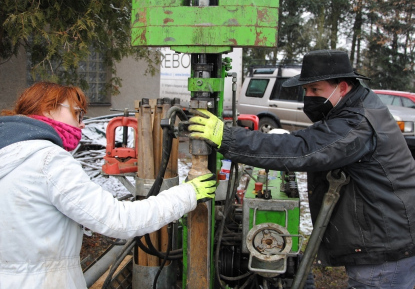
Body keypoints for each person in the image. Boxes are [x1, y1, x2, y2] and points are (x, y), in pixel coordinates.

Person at [189, 49, 415, 289]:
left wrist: (228, 137)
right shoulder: (355, 107)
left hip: (386, 250)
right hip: (385, 237)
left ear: (343, 87)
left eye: (315, 90)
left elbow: (304, 149)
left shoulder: (358, 122)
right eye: (306, 90)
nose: (308, 96)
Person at [0, 81, 216, 288]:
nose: (82, 123)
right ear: (48, 110)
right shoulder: (48, 161)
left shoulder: (10, 154)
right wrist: (189, 194)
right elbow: (119, 220)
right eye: (77, 113)